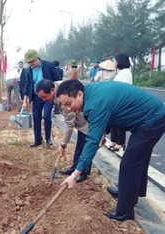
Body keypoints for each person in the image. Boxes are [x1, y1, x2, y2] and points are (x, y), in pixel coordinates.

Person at [56, 79, 165, 221]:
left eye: (69, 104)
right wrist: (103, 132)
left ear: (80, 94)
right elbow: (110, 111)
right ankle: (132, 193)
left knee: (130, 162)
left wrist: (75, 175)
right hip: (150, 116)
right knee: (138, 159)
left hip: (152, 119)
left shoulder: (95, 103)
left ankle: (125, 211)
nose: (68, 109)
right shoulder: (91, 93)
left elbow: (92, 142)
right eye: (65, 106)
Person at [36, 79, 91, 182]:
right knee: (80, 144)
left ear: (52, 90)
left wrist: (63, 145)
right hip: (80, 121)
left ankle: (83, 172)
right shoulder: (57, 88)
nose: (44, 100)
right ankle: (75, 167)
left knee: (85, 147)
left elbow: (69, 124)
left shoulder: (64, 100)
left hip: (86, 121)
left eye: (44, 97)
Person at [22, 49, 60, 148]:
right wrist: (25, 101)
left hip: (48, 96)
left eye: (32, 61)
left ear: (37, 58)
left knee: (47, 116)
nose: (31, 64)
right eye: (29, 62)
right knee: (36, 117)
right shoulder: (28, 70)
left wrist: (56, 94)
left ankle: (48, 139)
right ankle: (37, 139)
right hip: (36, 97)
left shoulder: (48, 65)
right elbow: (27, 85)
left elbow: (57, 79)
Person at [108, 53, 132, 152]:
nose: (114, 62)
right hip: (116, 101)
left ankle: (120, 143)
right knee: (114, 122)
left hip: (122, 102)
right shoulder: (121, 72)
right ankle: (113, 140)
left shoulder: (126, 72)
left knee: (119, 123)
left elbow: (124, 88)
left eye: (115, 60)